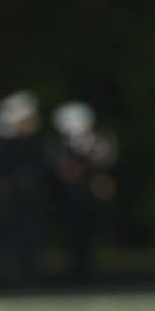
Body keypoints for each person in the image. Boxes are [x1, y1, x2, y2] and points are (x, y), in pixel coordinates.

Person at [0, 89, 46, 288]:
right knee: (10, 238)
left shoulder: (32, 142)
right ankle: (11, 279)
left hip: (29, 196)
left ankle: (28, 276)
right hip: (12, 198)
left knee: (30, 237)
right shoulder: (2, 143)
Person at [50, 101, 116, 280]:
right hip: (69, 198)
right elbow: (64, 172)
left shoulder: (97, 141)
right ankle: (75, 273)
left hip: (91, 198)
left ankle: (91, 272)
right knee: (72, 238)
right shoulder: (60, 145)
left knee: (93, 237)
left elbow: (105, 168)